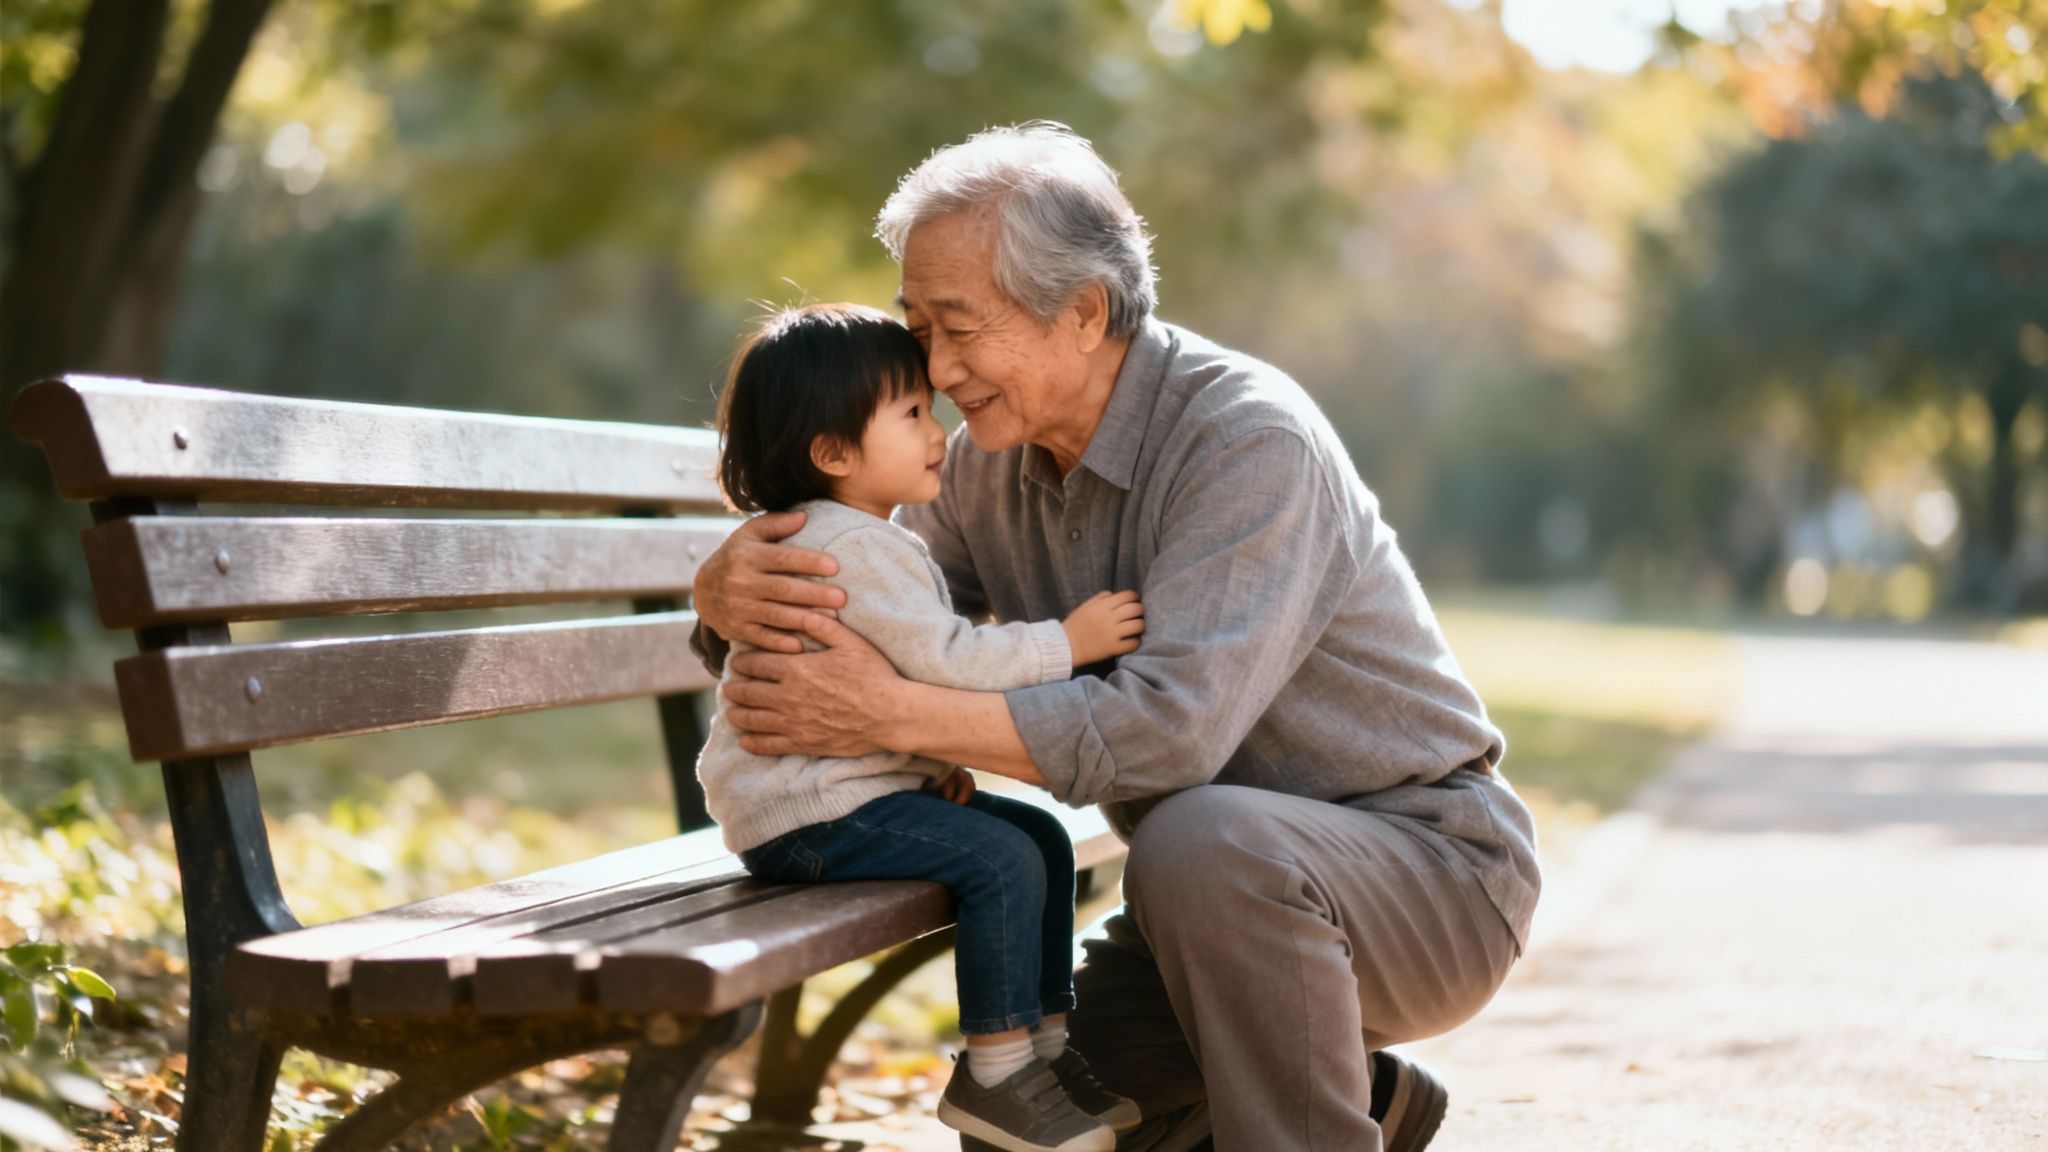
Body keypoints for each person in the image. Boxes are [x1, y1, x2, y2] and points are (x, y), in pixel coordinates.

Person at [692, 123, 1542, 1152]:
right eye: (917, 329)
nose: (937, 367)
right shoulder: (976, 469)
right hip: (1214, 901)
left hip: (1424, 875)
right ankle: (1368, 1098)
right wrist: (727, 593)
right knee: (1035, 1128)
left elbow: (1167, 737)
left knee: (1197, 837)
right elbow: (870, 620)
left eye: (958, 327)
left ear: (1082, 312)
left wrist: (893, 715)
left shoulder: (1243, 439)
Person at [695, 301, 1147, 1152]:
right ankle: (999, 1075)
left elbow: (892, 679)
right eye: (909, 414)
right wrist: (1070, 642)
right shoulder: (852, 546)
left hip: (836, 797)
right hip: (810, 814)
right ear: (832, 452)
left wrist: (922, 759)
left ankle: (1043, 1056)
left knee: (1039, 839)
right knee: (1006, 856)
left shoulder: (869, 535)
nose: (937, 427)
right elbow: (944, 661)